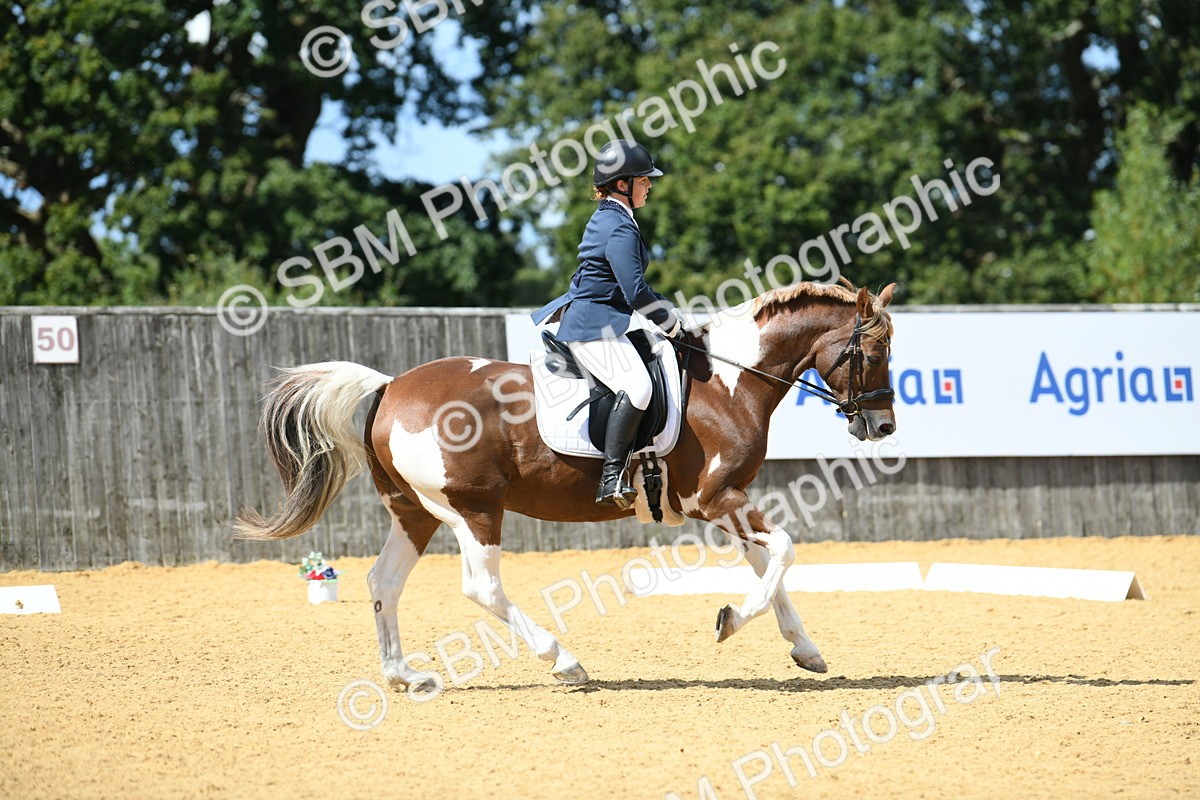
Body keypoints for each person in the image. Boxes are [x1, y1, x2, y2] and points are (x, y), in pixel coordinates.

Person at [531, 139, 685, 508]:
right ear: (622, 185)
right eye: (643, 180)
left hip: (601, 320)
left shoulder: (612, 219)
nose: (650, 185)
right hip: (593, 327)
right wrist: (671, 324)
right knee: (638, 387)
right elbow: (634, 290)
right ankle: (612, 478)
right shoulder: (618, 226)